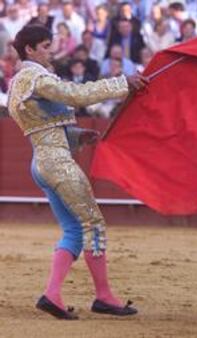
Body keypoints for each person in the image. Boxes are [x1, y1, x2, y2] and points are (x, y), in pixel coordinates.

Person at [8, 24, 148, 320]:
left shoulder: (20, 83)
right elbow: (75, 94)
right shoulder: (35, 77)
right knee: (93, 224)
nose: (51, 50)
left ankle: (53, 295)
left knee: (74, 229)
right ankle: (104, 296)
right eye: (45, 46)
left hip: (42, 161)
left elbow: (41, 125)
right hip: (57, 163)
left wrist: (76, 136)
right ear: (30, 50)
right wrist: (121, 84)